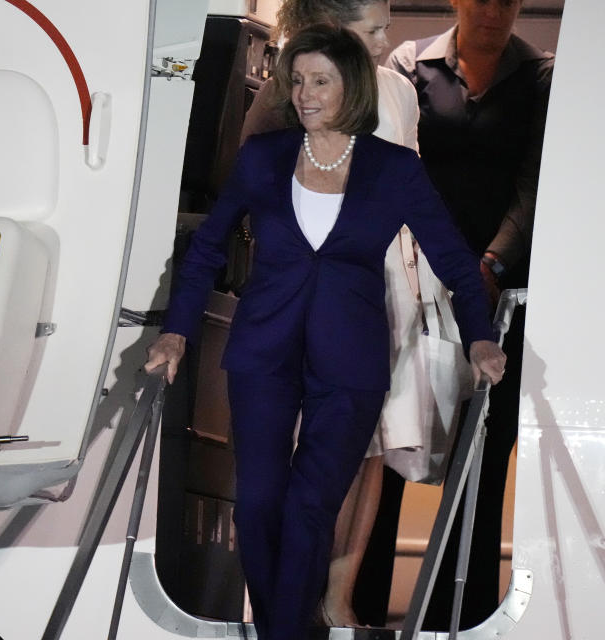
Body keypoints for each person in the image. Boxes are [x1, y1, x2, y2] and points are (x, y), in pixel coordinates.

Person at [145, 24, 506, 640]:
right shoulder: (266, 158)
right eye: (298, 80)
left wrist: (479, 336)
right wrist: (176, 331)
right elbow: (207, 248)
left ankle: (280, 632)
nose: (304, 93)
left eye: (320, 81)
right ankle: (285, 629)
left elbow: (452, 258)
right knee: (259, 504)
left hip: (351, 361)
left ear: (353, 88)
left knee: (310, 509)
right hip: (262, 352)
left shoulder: (393, 170)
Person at [241, 0, 425, 627]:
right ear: (334, 27)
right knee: (297, 459)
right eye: (373, 28)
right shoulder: (283, 95)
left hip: (386, 287)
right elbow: (248, 182)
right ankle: (287, 600)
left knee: (372, 443)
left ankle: (337, 599)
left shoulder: (399, 91)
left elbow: (413, 182)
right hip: (304, 294)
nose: (385, 39)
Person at [386, 0, 553, 629]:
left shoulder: (540, 77)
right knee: (395, 439)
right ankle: (367, 603)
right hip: (417, 274)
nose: (494, 10)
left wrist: (489, 265)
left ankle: (465, 614)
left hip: (502, 286)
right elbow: (398, 164)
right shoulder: (410, 63)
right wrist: (432, 263)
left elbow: (535, 186)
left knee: (485, 451)